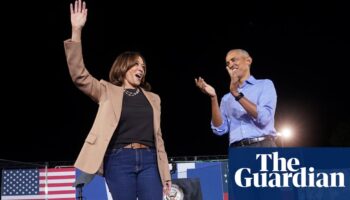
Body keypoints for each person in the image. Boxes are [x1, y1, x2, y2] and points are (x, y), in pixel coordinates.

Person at [64, 0, 171, 199]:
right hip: (119, 159)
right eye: (136, 64)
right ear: (123, 67)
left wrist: (165, 174)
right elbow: (79, 75)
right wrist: (76, 31)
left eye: (143, 66)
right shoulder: (107, 91)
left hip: (150, 161)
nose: (141, 69)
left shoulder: (154, 99)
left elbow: (159, 139)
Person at [195, 48, 277, 148]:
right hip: (237, 150)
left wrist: (236, 93)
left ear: (248, 60)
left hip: (263, 145)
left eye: (234, 60)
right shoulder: (226, 98)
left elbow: (264, 118)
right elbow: (219, 129)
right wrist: (213, 97)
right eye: (227, 63)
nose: (230, 64)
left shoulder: (264, 84)